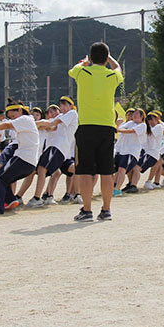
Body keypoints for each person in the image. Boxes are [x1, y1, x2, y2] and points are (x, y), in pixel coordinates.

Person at [67, 42, 123, 221]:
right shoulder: (112, 76)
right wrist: (110, 59)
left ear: (91, 58)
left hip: (86, 127)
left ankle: (87, 210)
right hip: (107, 127)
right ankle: (106, 210)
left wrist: (85, 62)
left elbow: (73, 69)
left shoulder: (82, 72)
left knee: (84, 171)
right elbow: (118, 67)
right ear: (106, 58)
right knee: (107, 171)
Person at [0, 101, 39, 215]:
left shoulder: (24, 119)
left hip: (23, 159)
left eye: (13, 116)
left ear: (20, 110)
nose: (12, 118)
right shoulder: (28, 120)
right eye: (10, 117)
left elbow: (7, 125)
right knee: (4, 178)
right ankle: (10, 200)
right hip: (29, 162)